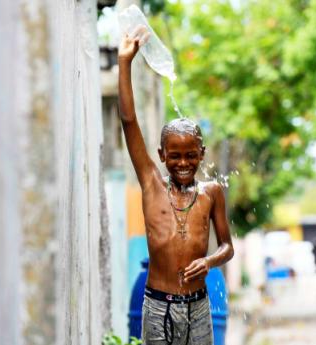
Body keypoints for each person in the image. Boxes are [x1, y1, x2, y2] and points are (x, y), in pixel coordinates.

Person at [118, 28, 234, 345]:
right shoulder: (151, 185)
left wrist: (209, 261)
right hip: (157, 306)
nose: (183, 163)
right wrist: (124, 62)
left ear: (202, 155)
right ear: (162, 156)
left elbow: (227, 247)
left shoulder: (211, 193)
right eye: (175, 156)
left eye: (191, 156)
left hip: (198, 307)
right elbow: (129, 122)